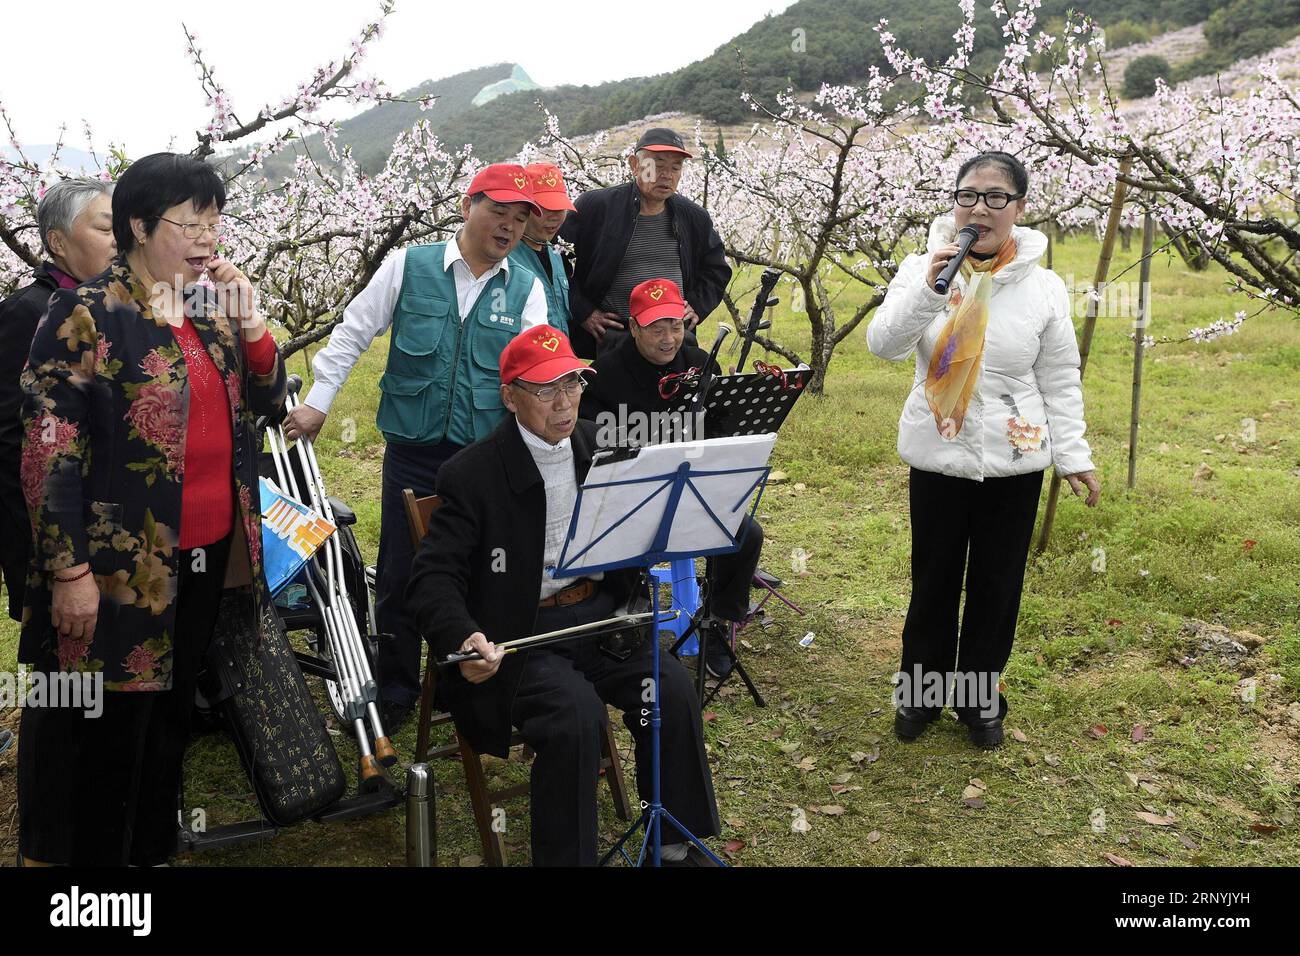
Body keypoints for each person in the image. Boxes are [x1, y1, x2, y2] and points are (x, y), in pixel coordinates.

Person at [17, 152, 286, 865]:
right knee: (113, 732)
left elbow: (267, 404)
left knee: (172, 720)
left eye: (215, 220)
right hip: (120, 567)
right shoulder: (86, 313)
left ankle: (150, 854)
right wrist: (68, 570)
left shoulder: (209, 305)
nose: (208, 237)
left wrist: (254, 321)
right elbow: (50, 450)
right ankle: (99, 882)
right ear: (137, 225)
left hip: (208, 554)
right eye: (189, 222)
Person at [407, 326, 720, 866]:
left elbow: (638, 529)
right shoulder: (472, 473)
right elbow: (432, 578)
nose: (565, 402)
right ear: (510, 396)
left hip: (598, 617)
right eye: (546, 389)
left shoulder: (603, 443)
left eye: (573, 383)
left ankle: (671, 844)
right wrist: (464, 636)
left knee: (668, 687)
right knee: (575, 717)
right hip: (521, 632)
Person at [282, 164, 548, 729]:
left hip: (484, 460)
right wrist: (320, 401)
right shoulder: (409, 265)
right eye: (498, 210)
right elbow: (355, 330)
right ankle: (398, 688)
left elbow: (538, 373)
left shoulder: (527, 288)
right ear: (467, 206)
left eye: (521, 219)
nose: (509, 226)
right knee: (401, 572)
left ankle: (459, 686)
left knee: (480, 574)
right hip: (414, 451)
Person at [867, 151, 1100, 749]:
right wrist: (926, 289)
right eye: (968, 195)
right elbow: (883, 345)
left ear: (1019, 209)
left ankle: (978, 697)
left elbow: (1060, 375)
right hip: (938, 453)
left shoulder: (1042, 286)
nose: (979, 208)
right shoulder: (922, 269)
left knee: (997, 585)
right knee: (935, 579)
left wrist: (1074, 455)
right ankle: (921, 693)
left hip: (1013, 457)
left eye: (997, 197)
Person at [580, 277, 763, 680]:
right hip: (632, 497)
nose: (668, 339)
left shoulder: (701, 364)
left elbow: (718, 437)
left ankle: (716, 621)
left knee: (747, 533)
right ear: (633, 327)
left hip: (689, 493)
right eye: (656, 328)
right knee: (613, 538)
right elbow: (588, 443)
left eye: (676, 326)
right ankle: (631, 618)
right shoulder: (605, 374)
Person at [0, 177, 116, 622]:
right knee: (67, 677)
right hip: (51, 539)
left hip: (108, 529)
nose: (119, 243)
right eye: (105, 230)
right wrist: (41, 552)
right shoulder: (30, 311)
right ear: (58, 241)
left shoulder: (110, 310)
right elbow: (12, 439)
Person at [559, 127, 731, 358]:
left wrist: (698, 305)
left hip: (673, 338)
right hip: (615, 335)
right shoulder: (597, 207)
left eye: (675, 167)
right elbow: (556, 260)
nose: (666, 174)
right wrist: (584, 311)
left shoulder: (693, 217)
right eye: (657, 165)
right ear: (634, 164)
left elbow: (716, 269)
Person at [506, 162, 574, 334]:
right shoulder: (504, 258)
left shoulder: (556, 253)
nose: (556, 217)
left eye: (561, 209)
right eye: (546, 208)